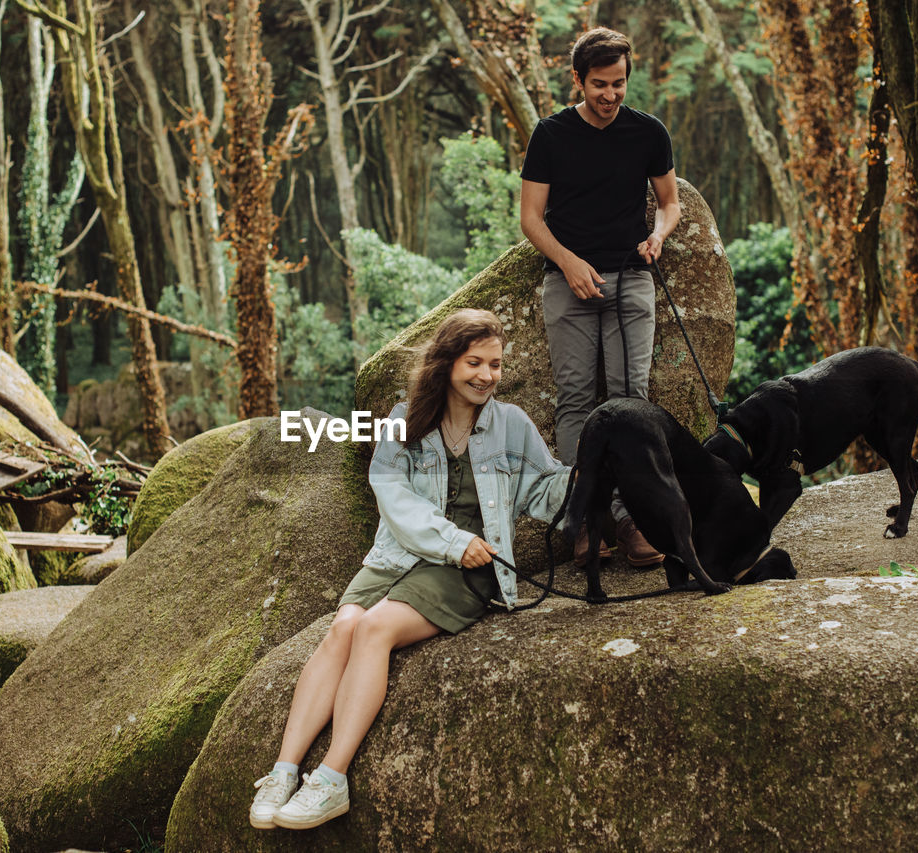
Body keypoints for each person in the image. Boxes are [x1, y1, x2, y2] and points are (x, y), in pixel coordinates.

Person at [249, 308, 571, 831]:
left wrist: (600, 475)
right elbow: (393, 498)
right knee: (344, 626)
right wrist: (450, 539)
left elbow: (545, 490)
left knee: (374, 628)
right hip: (399, 555)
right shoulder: (404, 422)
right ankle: (285, 771)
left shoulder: (511, 425)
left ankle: (331, 780)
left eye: (494, 364)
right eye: (474, 362)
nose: (486, 375)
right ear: (447, 362)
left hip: (470, 568)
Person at [519, 26, 681, 569]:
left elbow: (669, 203)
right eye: (598, 85)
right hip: (569, 284)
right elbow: (530, 219)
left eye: (618, 84)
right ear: (577, 80)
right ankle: (585, 520)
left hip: (632, 279)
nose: (610, 95)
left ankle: (634, 517)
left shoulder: (648, 132)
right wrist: (568, 263)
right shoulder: (551, 135)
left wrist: (658, 235)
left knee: (631, 399)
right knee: (577, 401)